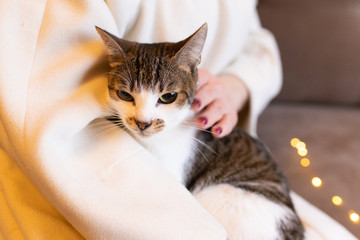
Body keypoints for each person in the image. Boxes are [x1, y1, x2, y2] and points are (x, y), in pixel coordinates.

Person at [0, 0, 282, 239]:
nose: (144, 119)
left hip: (230, 183)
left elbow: (254, 38)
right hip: (98, 174)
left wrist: (235, 85)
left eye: (165, 98)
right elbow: (42, 92)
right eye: (126, 95)